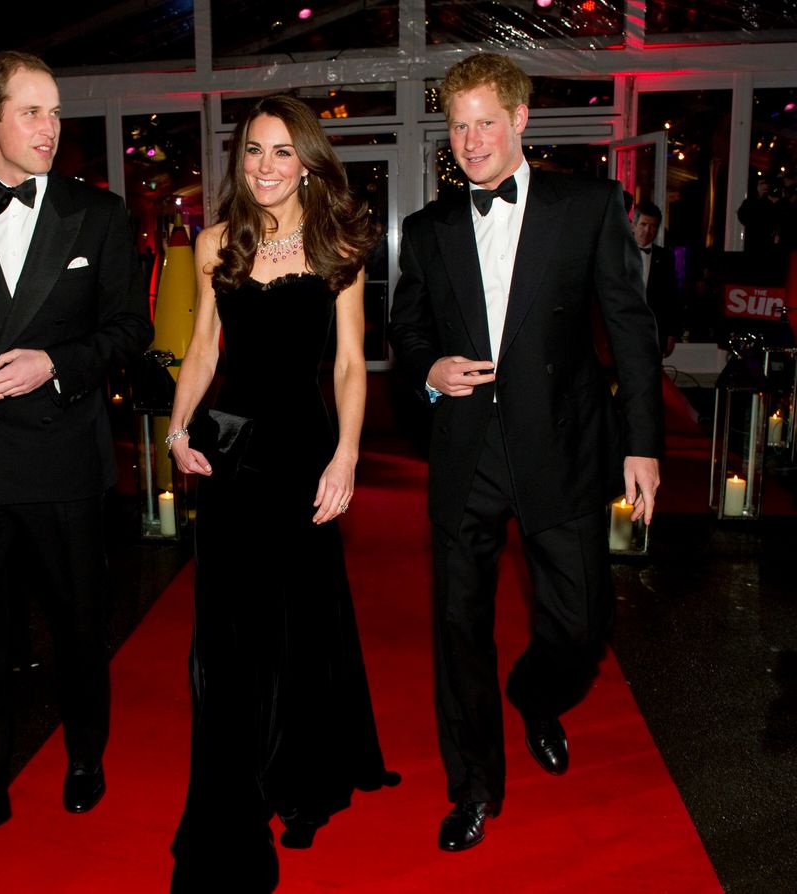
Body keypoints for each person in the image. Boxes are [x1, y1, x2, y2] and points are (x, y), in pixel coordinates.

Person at [389, 53, 663, 853]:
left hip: (564, 445)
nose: (472, 140)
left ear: (519, 120)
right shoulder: (429, 228)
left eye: (486, 122)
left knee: (581, 625)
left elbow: (631, 330)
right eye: (459, 125)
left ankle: (536, 693)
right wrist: (429, 371)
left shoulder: (588, 206)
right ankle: (474, 785)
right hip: (467, 451)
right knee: (458, 627)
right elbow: (406, 334)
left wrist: (643, 444)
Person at [0, 50, 152, 867]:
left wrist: (56, 363)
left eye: (55, 112)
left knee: (81, 625)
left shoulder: (99, 214)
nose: (52, 128)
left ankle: (84, 750)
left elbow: (129, 331)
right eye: (33, 112)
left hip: (61, 458)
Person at [166, 94, 398, 892]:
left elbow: (347, 364)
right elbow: (202, 348)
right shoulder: (212, 243)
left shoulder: (339, 247)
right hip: (231, 452)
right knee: (231, 629)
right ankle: (236, 783)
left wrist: (346, 457)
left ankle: (299, 777)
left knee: (300, 615)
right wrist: (176, 428)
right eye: (253, 152)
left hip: (302, 451)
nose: (264, 167)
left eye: (280, 152)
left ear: (307, 161)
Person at [631, 200, 681, 357]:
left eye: (652, 226)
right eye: (643, 224)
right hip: (623, 330)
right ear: (633, 225)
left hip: (654, 333)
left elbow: (672, 297)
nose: (647, 230)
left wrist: (672, 333)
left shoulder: (665, 257)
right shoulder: (617, 253)